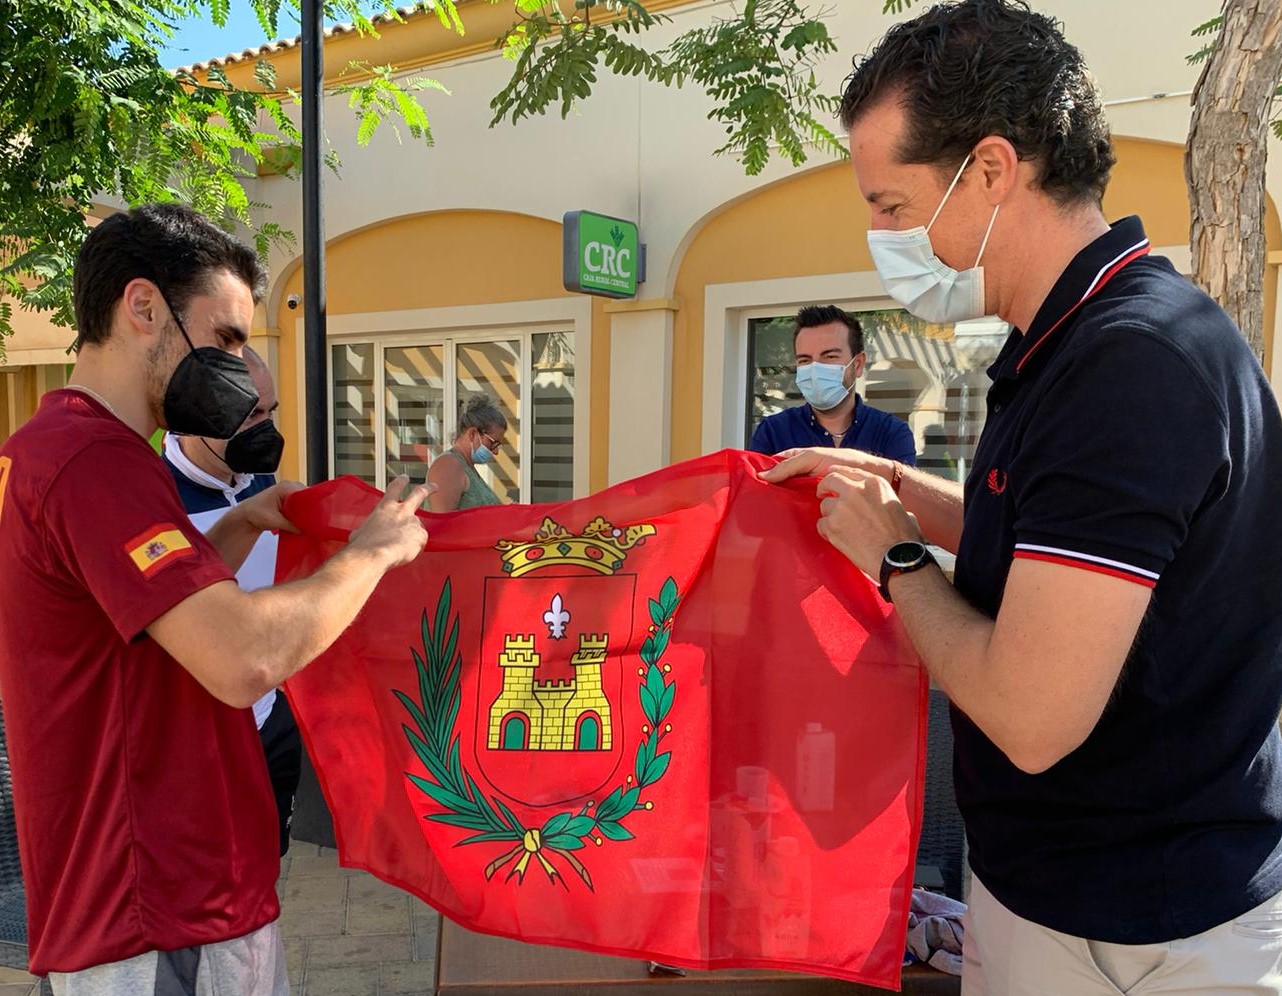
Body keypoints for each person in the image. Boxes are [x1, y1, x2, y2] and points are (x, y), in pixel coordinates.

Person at [762, 1, 1282, 992]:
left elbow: (1029, 712)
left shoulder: (1127, 366)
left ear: (992, 170)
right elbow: (1046, 535)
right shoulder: (1066, 345)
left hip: (1137, 929)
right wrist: (896, 487)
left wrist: (897, 557)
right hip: (1061, 895)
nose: (878, 234)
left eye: (889, 204)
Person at [0, 203, 430, 994]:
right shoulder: (90, 462)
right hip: (160, 910)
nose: (236, 366)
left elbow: (132, 628)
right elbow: (242, 657)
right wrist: (374, 554)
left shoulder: (79, 451)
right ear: (143, 308)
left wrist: (235, 526)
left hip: (176, 898)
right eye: (226, 337)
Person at [162, 346, 301, 858]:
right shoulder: (150, 499)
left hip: (270, 722)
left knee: (265, 872)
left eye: (271, 412)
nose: (266, 429)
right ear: (198, 415)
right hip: (195, 745)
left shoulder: (261, 484)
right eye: (251, 415)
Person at [747, 304, 916, 466]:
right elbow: (756, 493)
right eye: (805, 360)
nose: (815, 369)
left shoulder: (891, 433)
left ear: (857, 364)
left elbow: (903, 494)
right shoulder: (773, 432)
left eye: (829, 357)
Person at [427, 393, 508, 512]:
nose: (495, 451)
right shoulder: (449, 465)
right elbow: (443, 522)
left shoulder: (466, 466)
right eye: (493, 443)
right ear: (472, 434)